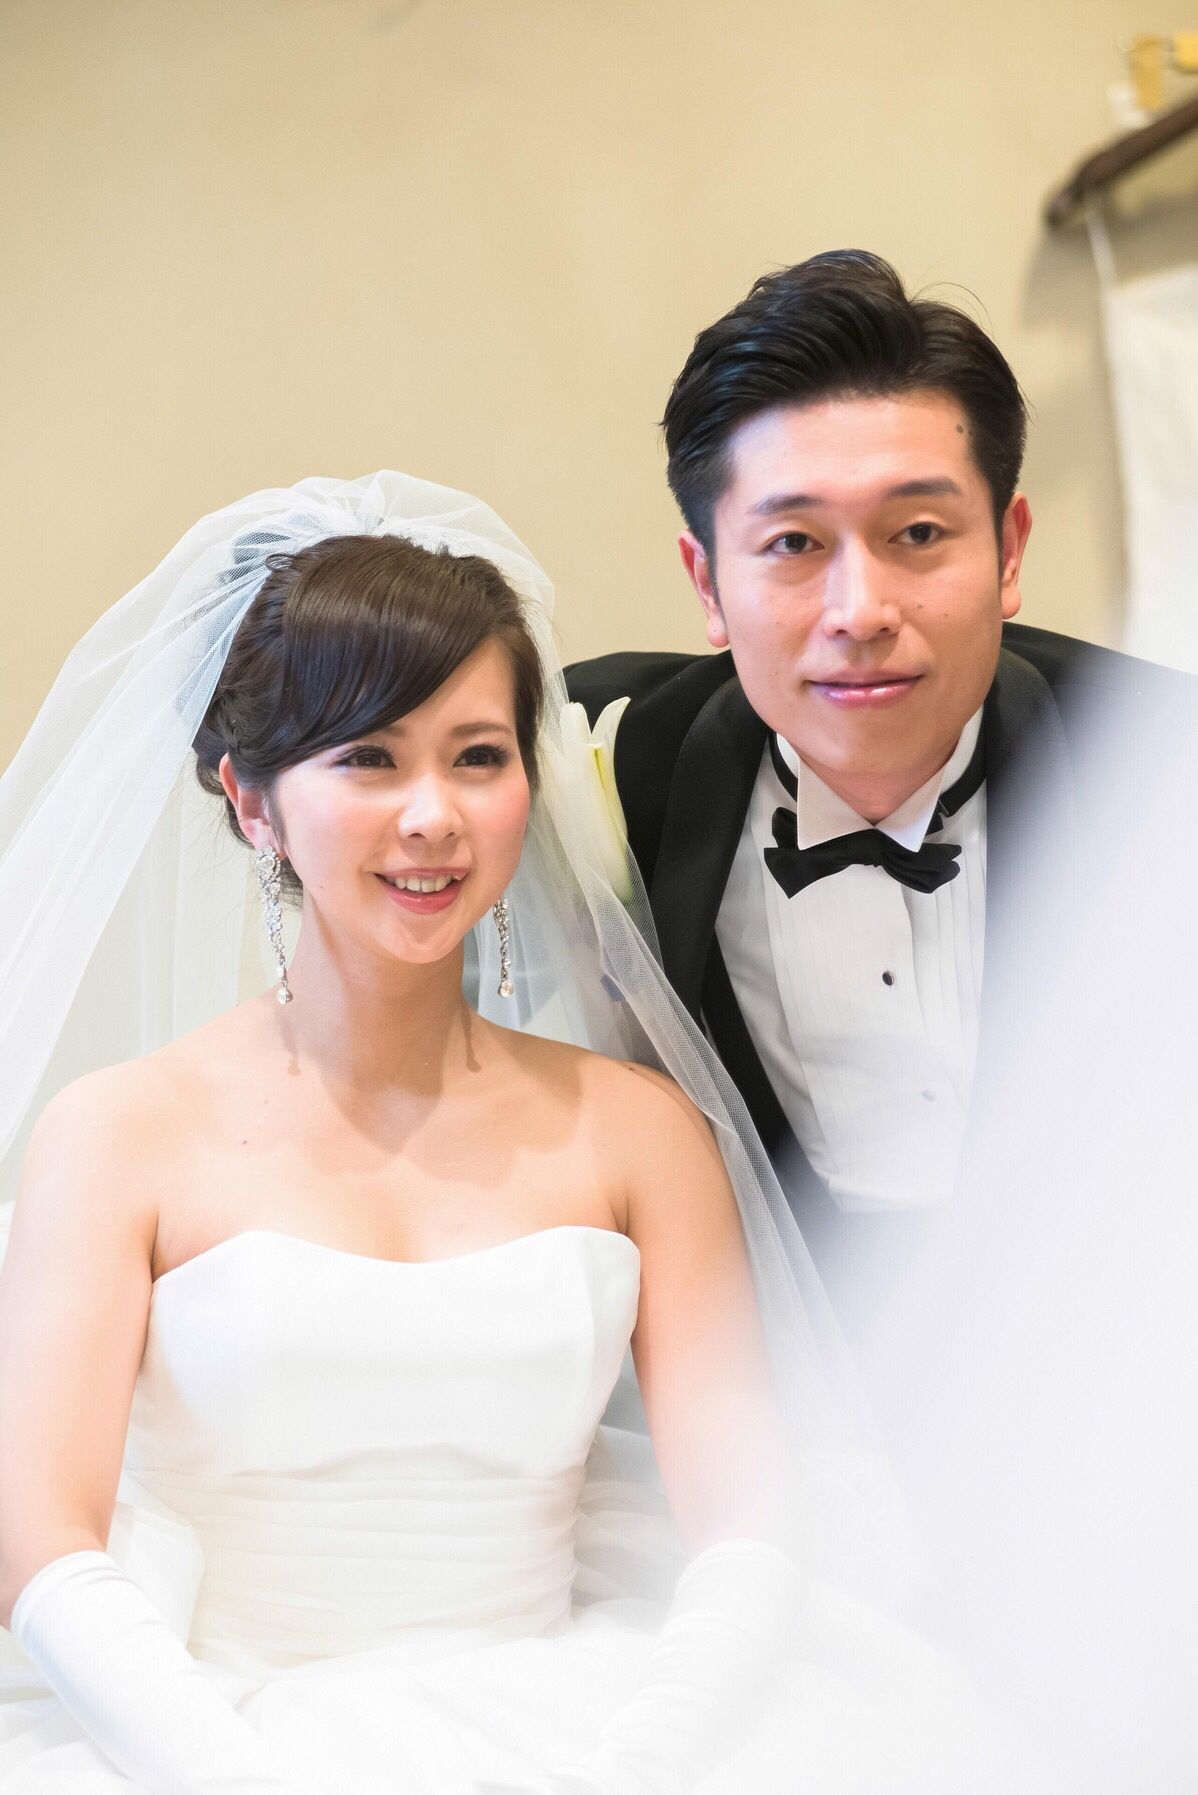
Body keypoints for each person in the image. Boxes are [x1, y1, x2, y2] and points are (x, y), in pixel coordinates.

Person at [0, 475, 992, 1795]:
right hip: (207, 1736)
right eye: (368, 757)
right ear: (250, 798)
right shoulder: (117, 1134)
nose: (433, 814)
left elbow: (750, 1513)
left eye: (477, 755)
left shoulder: (636, 1133)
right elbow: (42, 1539)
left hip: (588, 1721)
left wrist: (642, 1756)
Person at [565, 249, 1194, 1335]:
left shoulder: (1158, 766)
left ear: (1008, 550)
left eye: (917, 534)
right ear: (706, 582)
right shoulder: (590, 766)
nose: (859, 609)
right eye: (793, 543)